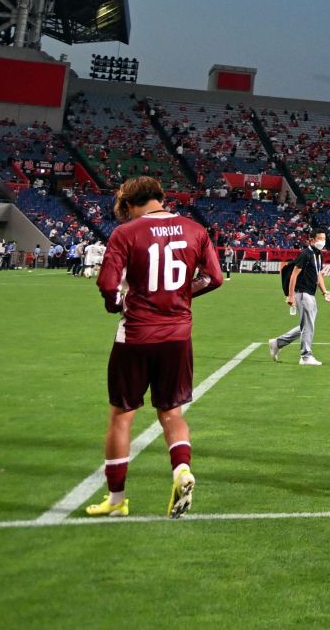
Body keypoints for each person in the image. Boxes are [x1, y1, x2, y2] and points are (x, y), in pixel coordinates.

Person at [86, 177, 225, 519]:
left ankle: (117, 501)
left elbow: (107, 284)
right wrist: (183, 295)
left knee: (122, 416)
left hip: (136, 335)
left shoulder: (126, 233)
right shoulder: (194, 229)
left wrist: (114, 303)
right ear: (161, 198)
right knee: (172, 413)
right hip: (178, 335)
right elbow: (215, 277)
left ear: (130, 204)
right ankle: (181, 470)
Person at [268, 230, 330, 365]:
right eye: (319, 238)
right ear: (311, 240)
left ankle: (277, 343)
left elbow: (318, 275)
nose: (322, 241)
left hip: (310, 293)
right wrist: (291, 296)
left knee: (306, 325)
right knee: (308, 325)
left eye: (324, 239)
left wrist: (324, 292)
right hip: (302, 293)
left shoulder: (318, 255)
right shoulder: (306, 254)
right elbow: (294, 275)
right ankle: (305, 356)